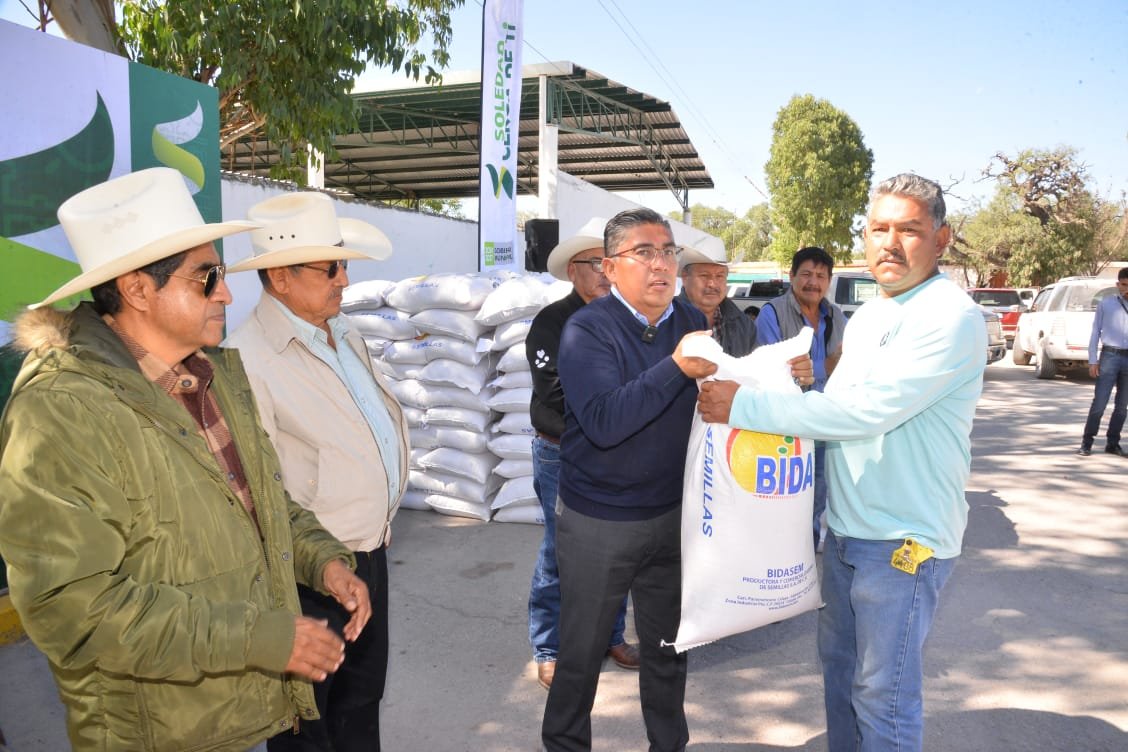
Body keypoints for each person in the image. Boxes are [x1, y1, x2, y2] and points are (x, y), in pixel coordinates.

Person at [0, 168, 369, 752]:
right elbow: (74, 608)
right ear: (137, 289)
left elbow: (263, 504)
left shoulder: (212, 376)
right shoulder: (62, 411)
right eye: (207, 277)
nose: (225, 292)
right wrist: (257, 637)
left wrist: (323, 560)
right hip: (153, 730)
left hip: (237, 714)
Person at [698, 174, 986, 752]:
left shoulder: (949, 316)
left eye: (909, 229)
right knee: (840, 673)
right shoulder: (876, 313)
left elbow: (865, 413)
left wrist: (748, 404)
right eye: (879, 228)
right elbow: (831, 404)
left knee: (884, 694)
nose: (890, 242)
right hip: (850, 532)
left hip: (905, 541)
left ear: (942, 239)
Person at [539, 208, 818, 752]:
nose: (660, 263)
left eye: (667, 251)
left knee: (669, 650)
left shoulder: (688, 320)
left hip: (674, 514)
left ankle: (669, 745)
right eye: (643, 252)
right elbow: (603, 423)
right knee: (581, 653)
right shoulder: (586, 330)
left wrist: (781, 376)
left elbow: (721, 390)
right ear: (611, 267)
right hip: (601, 521)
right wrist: (675, 367)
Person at [224, 192, 410, 751]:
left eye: (344, 264)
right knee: (306, 722)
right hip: (305, 574)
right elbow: (255, 489)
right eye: (330, 267)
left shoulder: (344, 333)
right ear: (280, 276)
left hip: (367, 552)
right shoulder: (245, 359)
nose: (344, 280)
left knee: (361, 699)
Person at [525, 217, 639, 692]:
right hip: (562, 452)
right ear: (574, 270)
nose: (604, 273)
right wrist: (616, 407)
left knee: (615, 551)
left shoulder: (626, 317)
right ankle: (549, 648)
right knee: (559, 551)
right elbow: (555, 393)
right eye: (596, 264)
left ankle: (611, 635)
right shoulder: (551, 323)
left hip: (615, 450)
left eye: (609, 264)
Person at [755, 246, 847, 548]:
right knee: (784, 498)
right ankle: (781, 556)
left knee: (817, 493)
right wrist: (826, 367)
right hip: (786, 426)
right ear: (792, 276)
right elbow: (771, 372)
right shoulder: (771, 313)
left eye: (821, 276)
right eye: (806, 274)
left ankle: (805, 556)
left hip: (823, 424)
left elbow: (848, 369)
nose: (813, 282)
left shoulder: (836, 316)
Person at [1077, 267, 1128, 457]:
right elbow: (1095, 332)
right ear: (1118, 285)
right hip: (1110, 356)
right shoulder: (1106, 304)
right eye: (1124, 285)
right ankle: (1086, 442)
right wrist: (1093, 360)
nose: (1126, 289)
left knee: (1122, 407)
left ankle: (1113, 443)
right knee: (1099, 403)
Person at [677, 243, 757, 356]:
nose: (712, 284)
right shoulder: (664, 319)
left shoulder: (744, 325)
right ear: (685, 278)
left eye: (719, 276)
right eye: (704, 275)